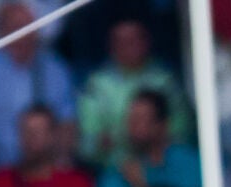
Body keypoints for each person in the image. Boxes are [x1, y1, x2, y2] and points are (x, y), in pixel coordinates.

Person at [0, 1, 76, 177]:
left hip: (48, 173)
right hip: (0, 173)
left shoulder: (56, 69)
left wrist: (60, 174)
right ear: (0, 31)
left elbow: (67, 124)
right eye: (12, 27)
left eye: (25, 27)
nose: (19, 34)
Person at [78, 19, 189, 166]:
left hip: (165, 162)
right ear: (111, 46)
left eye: (134, 39)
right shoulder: (96, 85)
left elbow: (181, 131)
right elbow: (88, 145)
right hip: (114, 168)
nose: (128, 45)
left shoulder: (165, 80)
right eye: (121, 41)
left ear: (147, 42)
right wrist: (122, 159)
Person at [97, 89, 204, 187]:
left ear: (163, 125)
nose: (133, 127)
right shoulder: (116, 173)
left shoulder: (188, 162)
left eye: (141, 119)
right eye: (131, 120)